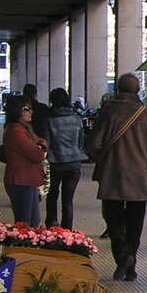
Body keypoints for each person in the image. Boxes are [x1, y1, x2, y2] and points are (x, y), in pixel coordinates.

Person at [86, 73, 147, 282]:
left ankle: (122, 257)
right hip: (138, 177)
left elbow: (93, 144)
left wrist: (100, 157)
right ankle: (131, 265)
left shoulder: (108, 112)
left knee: (114, 220)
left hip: (112, 174)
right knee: (135, 223)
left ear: (118, 89)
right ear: (137, 91)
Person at [2, 94, 47, 226]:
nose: (31, 112)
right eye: (26, 109)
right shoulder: (16, 131)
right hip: (20, 181)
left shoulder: (24, 128)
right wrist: (42, 148)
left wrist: (41, 146)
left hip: (27, 180)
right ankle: (19, 246)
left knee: (33, 221)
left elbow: (39, 144)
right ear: (17, 111)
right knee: (24, 223)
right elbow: (36, 154)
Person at [44, 87, 85, 230]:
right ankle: (67, 231)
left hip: (55, 163)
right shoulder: (77, 119)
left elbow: (46, 144)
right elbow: (81, 142)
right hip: (74, 164)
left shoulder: (49, 120)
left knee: (52, 194)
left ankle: (52, 224)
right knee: (68, 201)